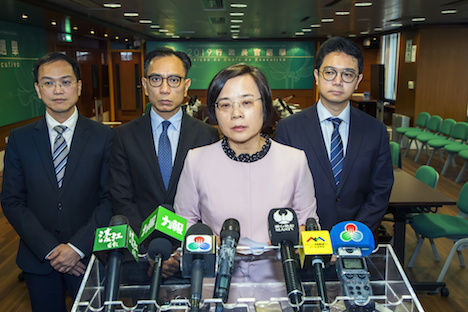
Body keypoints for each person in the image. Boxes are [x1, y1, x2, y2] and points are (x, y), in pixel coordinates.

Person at [174, 63, 318, 284]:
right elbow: (184, 223)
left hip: (279, 286)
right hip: (215, 287)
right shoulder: (196, 160)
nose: (236, 114)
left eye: (247, 102)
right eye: (225, 105)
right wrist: (215, 244)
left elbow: (309, 226)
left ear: (265, 106)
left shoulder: (294, 160)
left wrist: (286, 241)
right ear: (215, 112)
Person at [1, 52, 113, 311]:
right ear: (38, 90)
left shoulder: (104, 137)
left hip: (90, 256)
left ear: (79, 87)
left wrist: (76, 247)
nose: (58, 90)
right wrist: (52, 250)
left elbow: (110, 198)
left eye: (65, 82)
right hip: (39, 260)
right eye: (49, 83)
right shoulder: (20, 139)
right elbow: (12, 201)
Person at [110, 48, 219, 277]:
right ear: (145, 84)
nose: (165, 89)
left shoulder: (206, 135)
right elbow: (122, 198)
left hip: (190, 254)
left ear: (186, 85)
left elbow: (209, 200)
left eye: (174, 80)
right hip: (141, 256)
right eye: (156, 79)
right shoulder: (124, 135)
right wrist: (149, 249)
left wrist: (180, 252)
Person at [275, 36, 394, 232]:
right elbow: (281, 189)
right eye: (330, 72)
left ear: (358, 81)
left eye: (347, 75)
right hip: (306, 238)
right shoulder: (289, 128)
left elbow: (380, 191)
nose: (338, 81)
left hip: (355, 239)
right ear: (316, 76)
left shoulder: (376, 131)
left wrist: (353, 233)